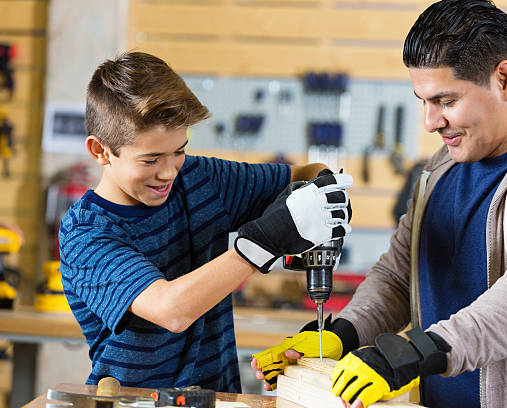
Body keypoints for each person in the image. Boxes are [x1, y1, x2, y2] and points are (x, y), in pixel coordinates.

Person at [251, 1, 507, 407]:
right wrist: (342, 334)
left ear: (505, 80)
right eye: (423, 101)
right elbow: (398, 277)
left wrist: (413, 353)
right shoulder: (441, 167)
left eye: (446, 100)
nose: (430, 121)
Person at [59, 51, 353, 391]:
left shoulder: (200, 180)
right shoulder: (86, 234)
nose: (169, 172)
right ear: (100, 151)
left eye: (179, 150)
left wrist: (324, 195)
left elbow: (305, 173)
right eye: (150, 159)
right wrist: (265, 241)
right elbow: (172, 310)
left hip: (219, 397)